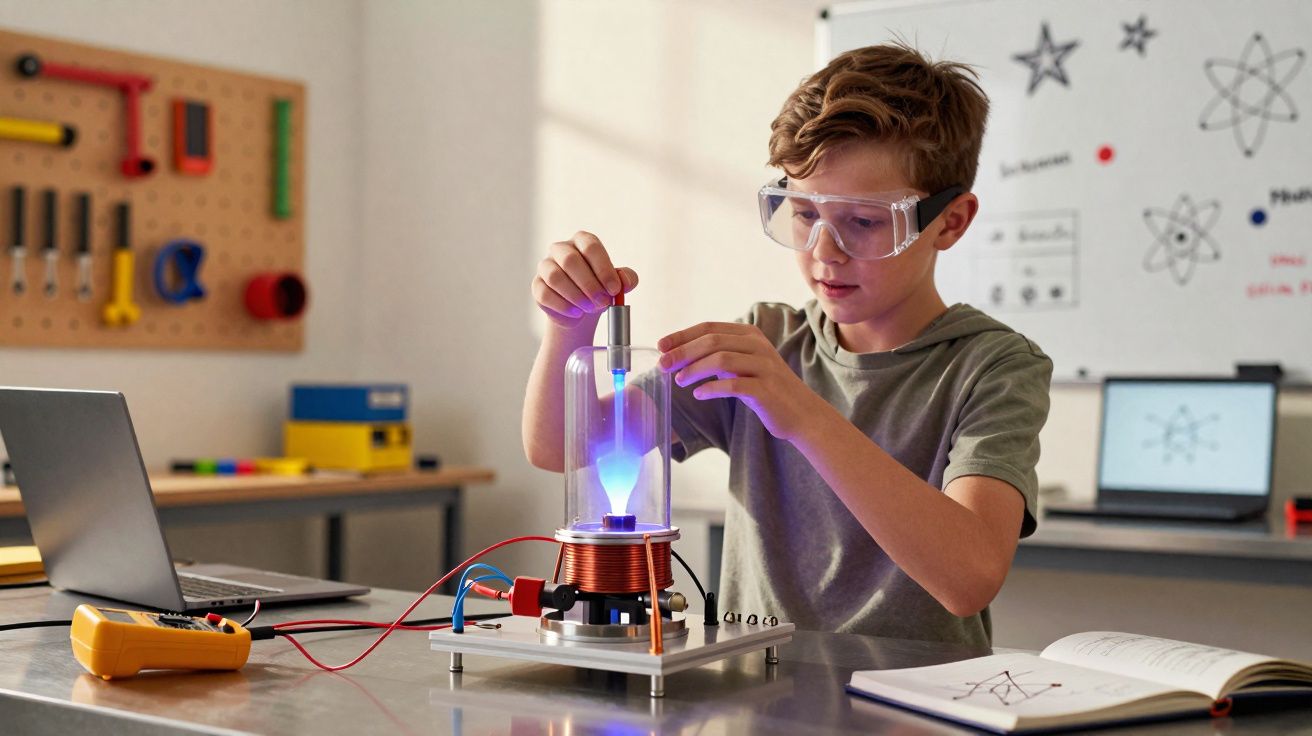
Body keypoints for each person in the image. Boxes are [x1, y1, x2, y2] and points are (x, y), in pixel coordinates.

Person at [522, 43, 1052, 648]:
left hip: (918, 695)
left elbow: (971, 577)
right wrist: (567, 325)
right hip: (755, 690)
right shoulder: (767, 342)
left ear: (950, 221)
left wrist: (801, 413)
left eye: (864, 222)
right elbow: (560, 449)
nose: (824, 251)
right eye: (803, 214)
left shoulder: (992, 367)